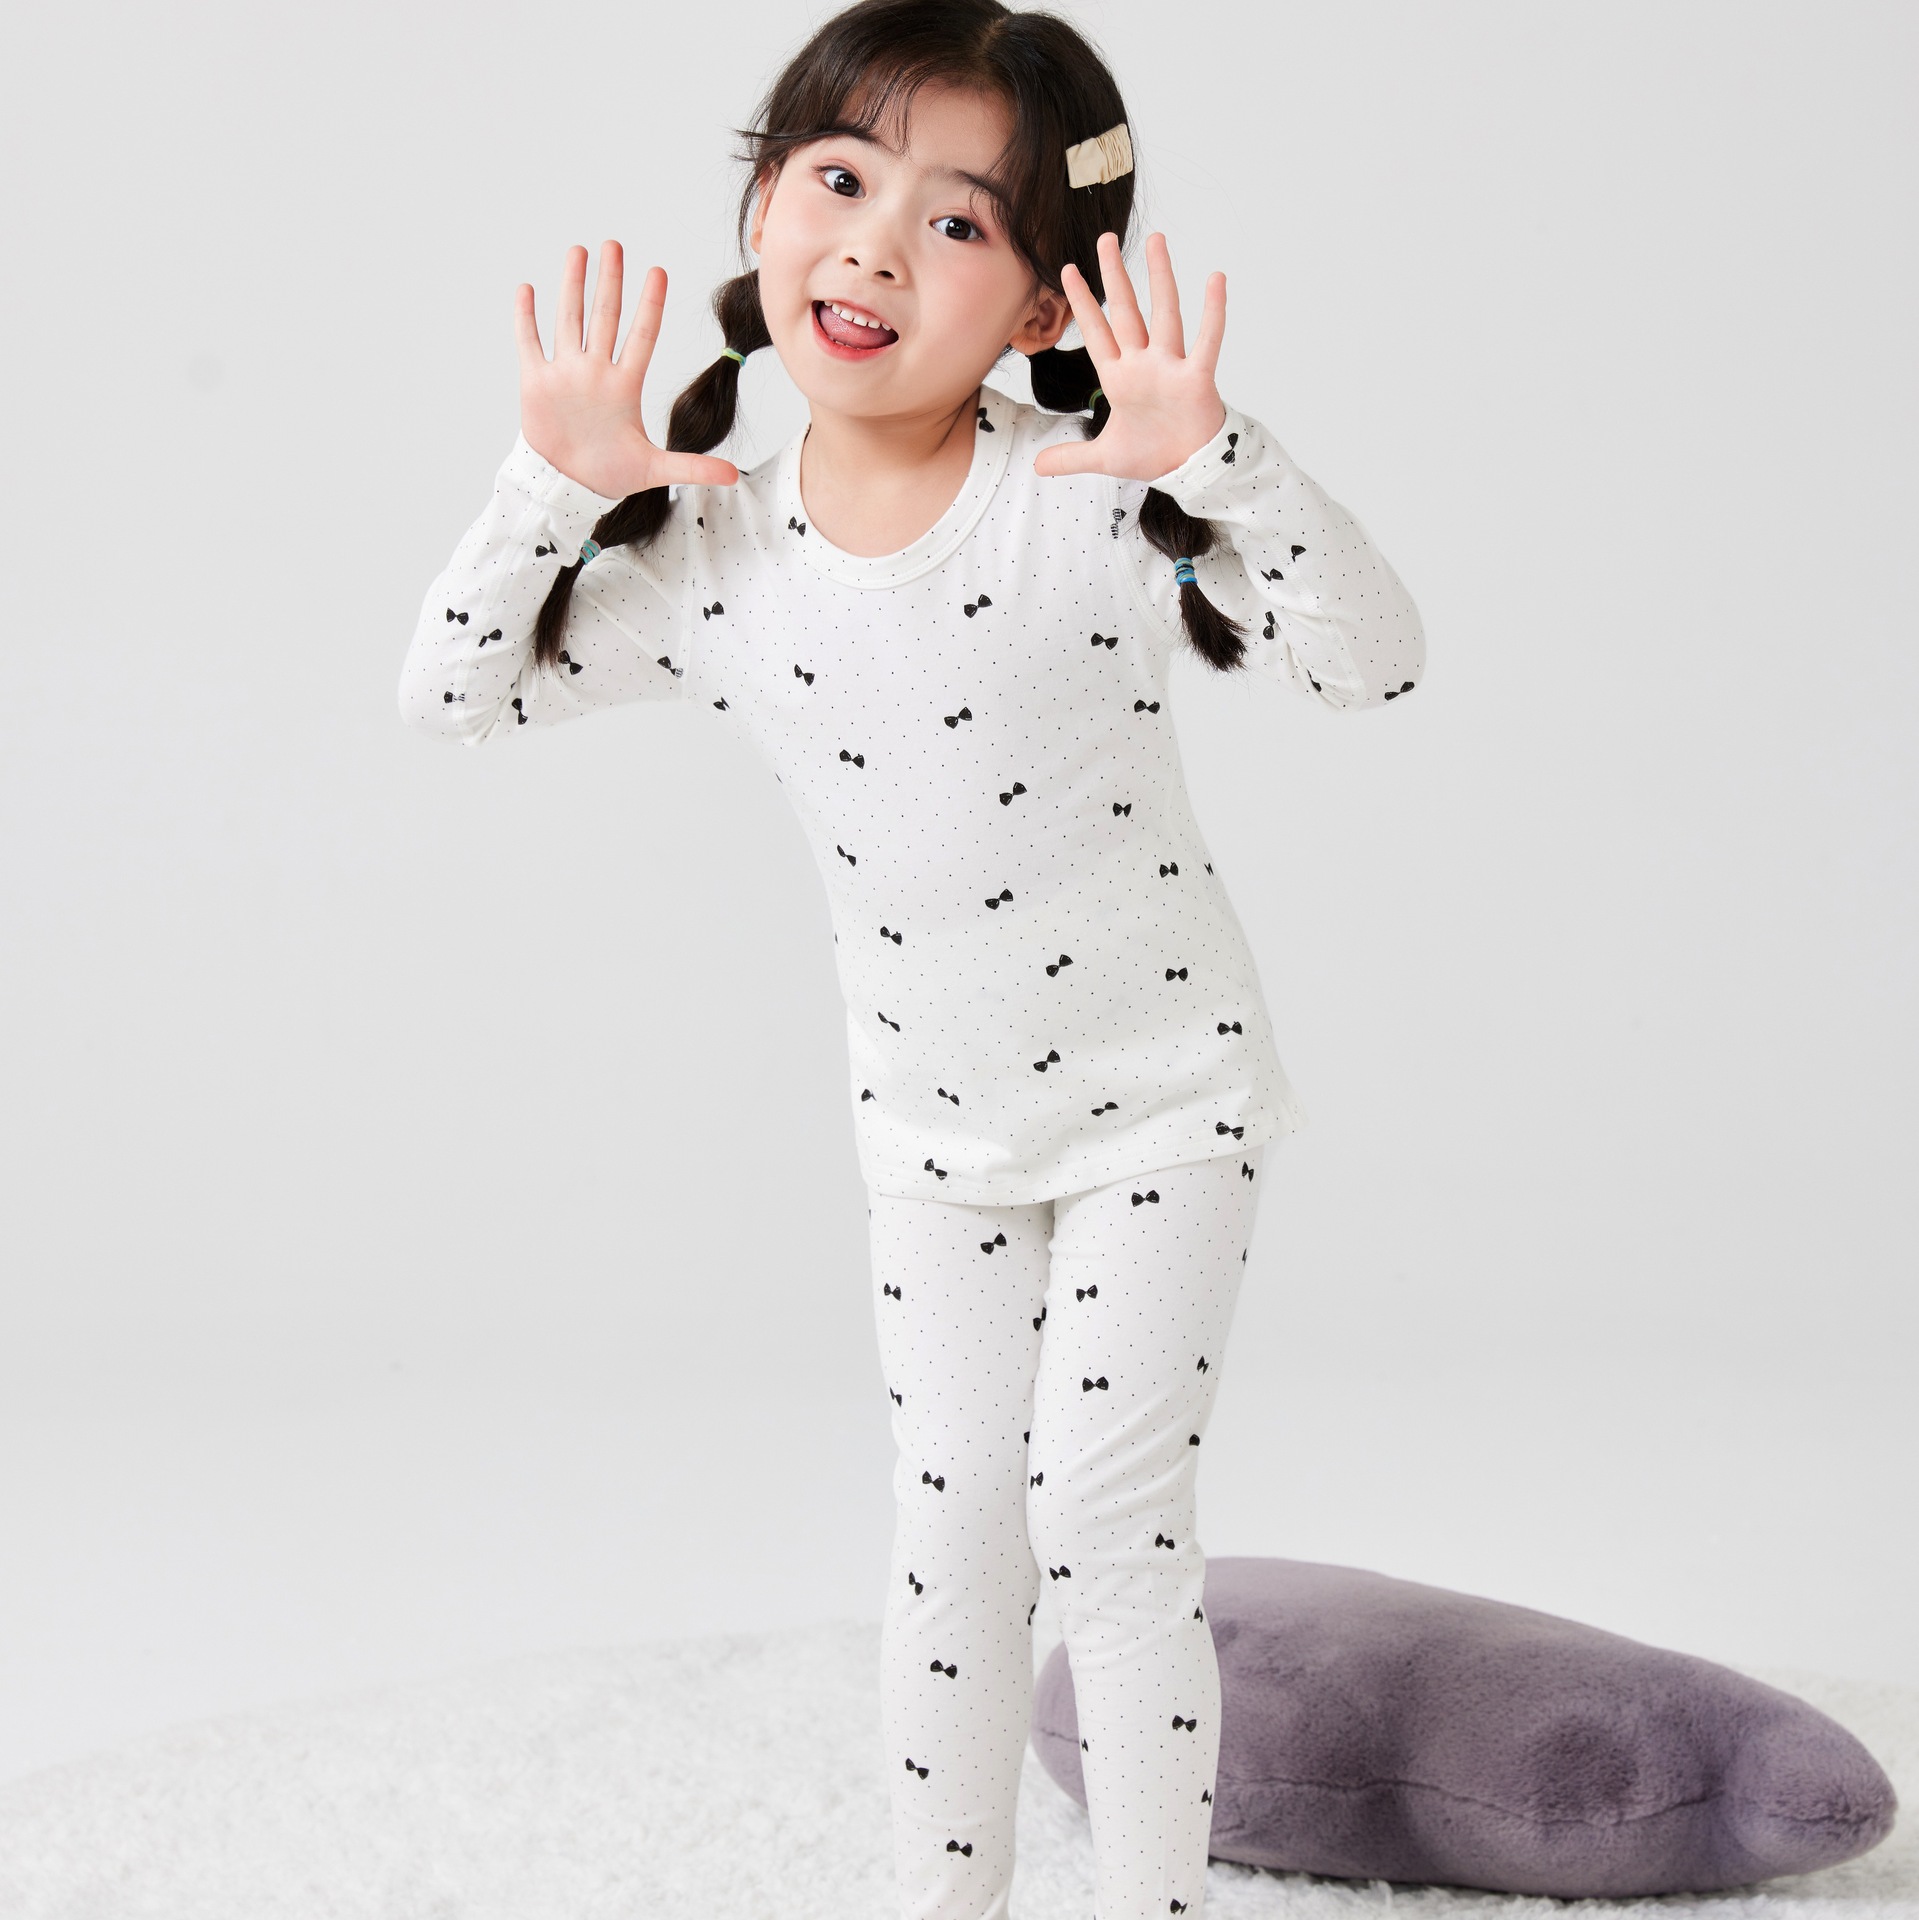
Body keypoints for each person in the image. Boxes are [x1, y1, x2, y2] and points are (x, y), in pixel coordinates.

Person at [396, 3, 1424, 1914]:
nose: (873, 245)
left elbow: (1374, 661)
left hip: (1164, 1103)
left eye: (956, 221)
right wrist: (551, 487)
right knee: (954, 1548)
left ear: (1041, 304)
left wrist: (1229, 460)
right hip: (935, 1138)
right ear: (762, 214)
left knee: (1106, 1521)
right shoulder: (713, 562)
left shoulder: (1089, 501)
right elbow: (452, 693)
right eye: (839, 180)